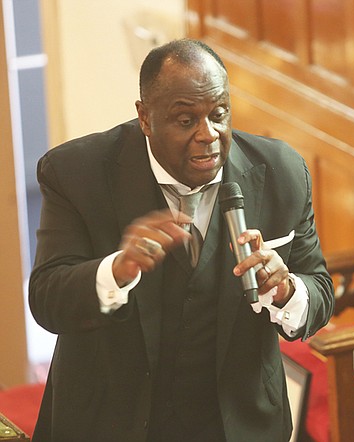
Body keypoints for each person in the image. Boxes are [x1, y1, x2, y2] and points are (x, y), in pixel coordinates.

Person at [28, 38, 334, 442]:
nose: (208, 134)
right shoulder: (77, 173)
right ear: (145, 118)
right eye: (186, 120)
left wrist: (286, 290)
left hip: (238, 423)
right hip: (112, 421)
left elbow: (321, 292)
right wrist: (116, 271)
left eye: (219, 114)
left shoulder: (280, 171)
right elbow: (48, 300)